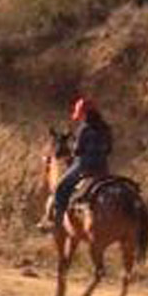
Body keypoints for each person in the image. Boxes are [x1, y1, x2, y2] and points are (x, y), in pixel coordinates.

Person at [40, 96, 114, 231]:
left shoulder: (84, 129)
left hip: (84, 167)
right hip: (103, 168)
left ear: (85, 114)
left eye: (80, 115)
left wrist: (74, 151)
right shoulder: (105, 128)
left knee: (61, 187)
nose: (80, 118)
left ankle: (56, 222)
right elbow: (109, 148)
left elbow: (78, 150)